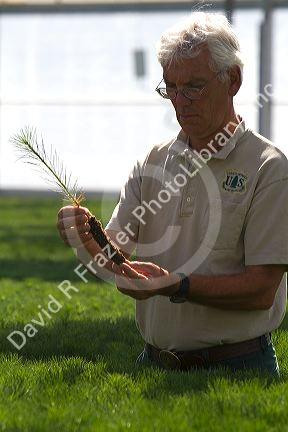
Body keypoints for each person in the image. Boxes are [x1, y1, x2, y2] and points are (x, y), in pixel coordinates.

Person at [57, 12, 288, 377]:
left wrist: (176, 285)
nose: (180, 101)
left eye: (194, 87)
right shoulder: (153, 160)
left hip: (237, 369)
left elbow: (261, 291)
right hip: (154, 366)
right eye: (171, 88)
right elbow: (115, 259)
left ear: (234, 80)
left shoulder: (268, 167)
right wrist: (84, 235)